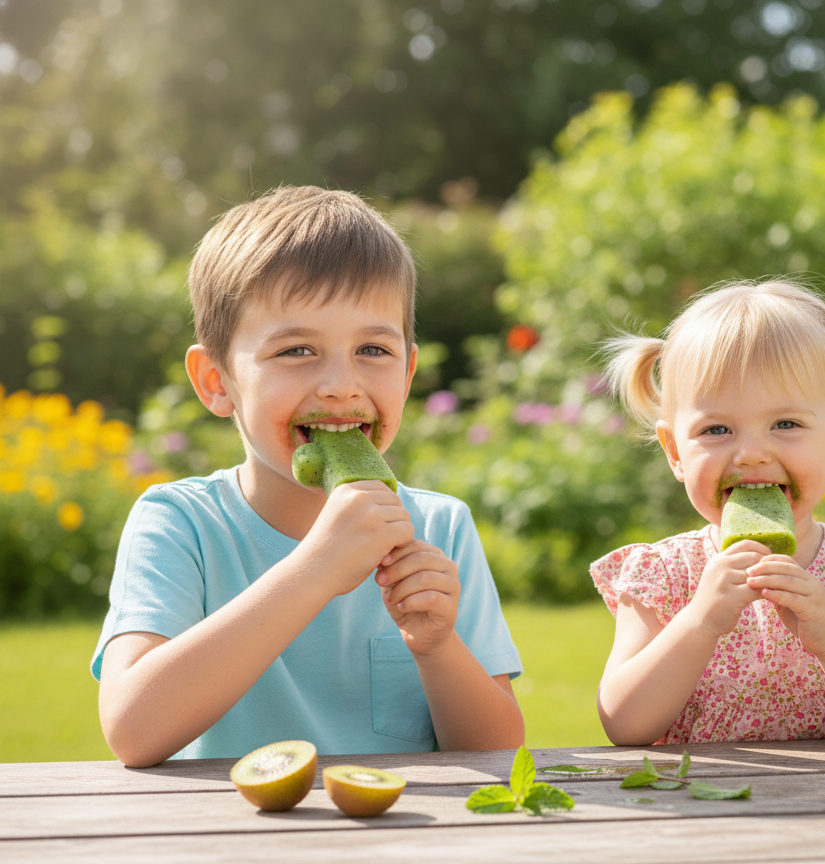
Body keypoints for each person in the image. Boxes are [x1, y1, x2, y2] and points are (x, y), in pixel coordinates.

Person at [92, 186, 524, 766]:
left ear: (408, 373)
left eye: (373, 350)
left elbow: (497, 751)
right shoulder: (180, 524)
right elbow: (132, 729)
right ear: (217, 381)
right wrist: (315, 569)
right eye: (297, 350)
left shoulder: (440, 527)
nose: (342, 386)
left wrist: (437, 646)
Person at [592, 279, 825, 746]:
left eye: (785, 423)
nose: (751, 453)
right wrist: (698, 623)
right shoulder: (662, 575)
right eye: (717, 429)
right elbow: (623, 723)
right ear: (675, 451)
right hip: (701, 791)